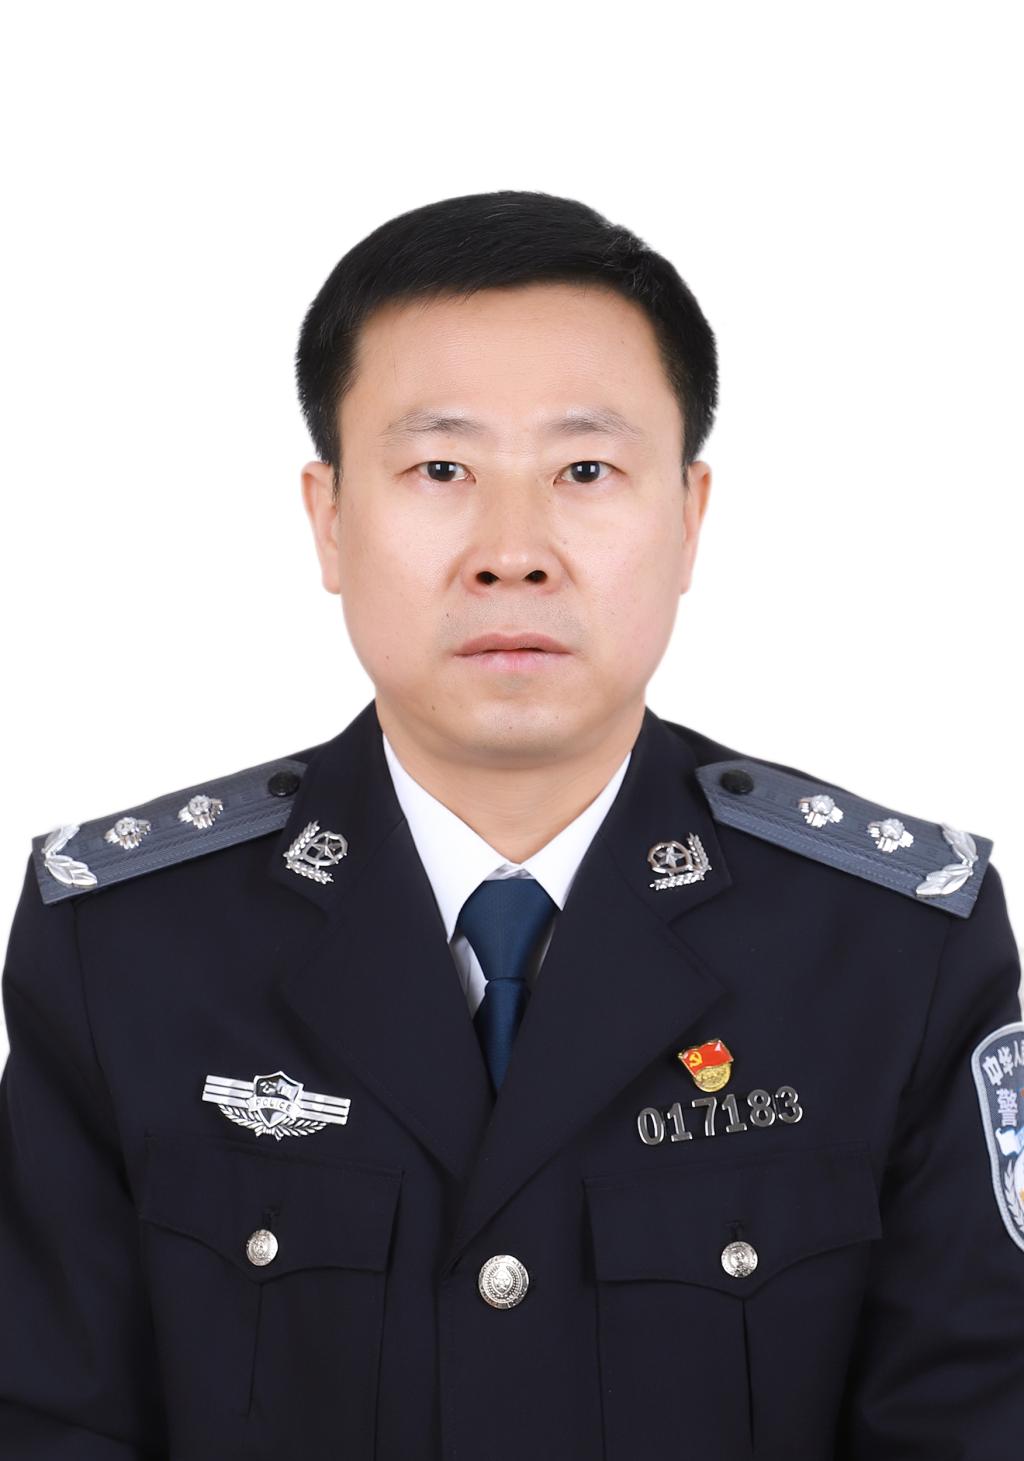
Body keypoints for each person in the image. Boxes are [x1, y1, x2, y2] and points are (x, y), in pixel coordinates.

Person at [1, 189, 1021, 1461]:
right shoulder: (126, 949)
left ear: (688, 516)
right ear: (329, 518)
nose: (512, 552)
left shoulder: (892, 951)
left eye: (584, 471)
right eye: (441, 470)